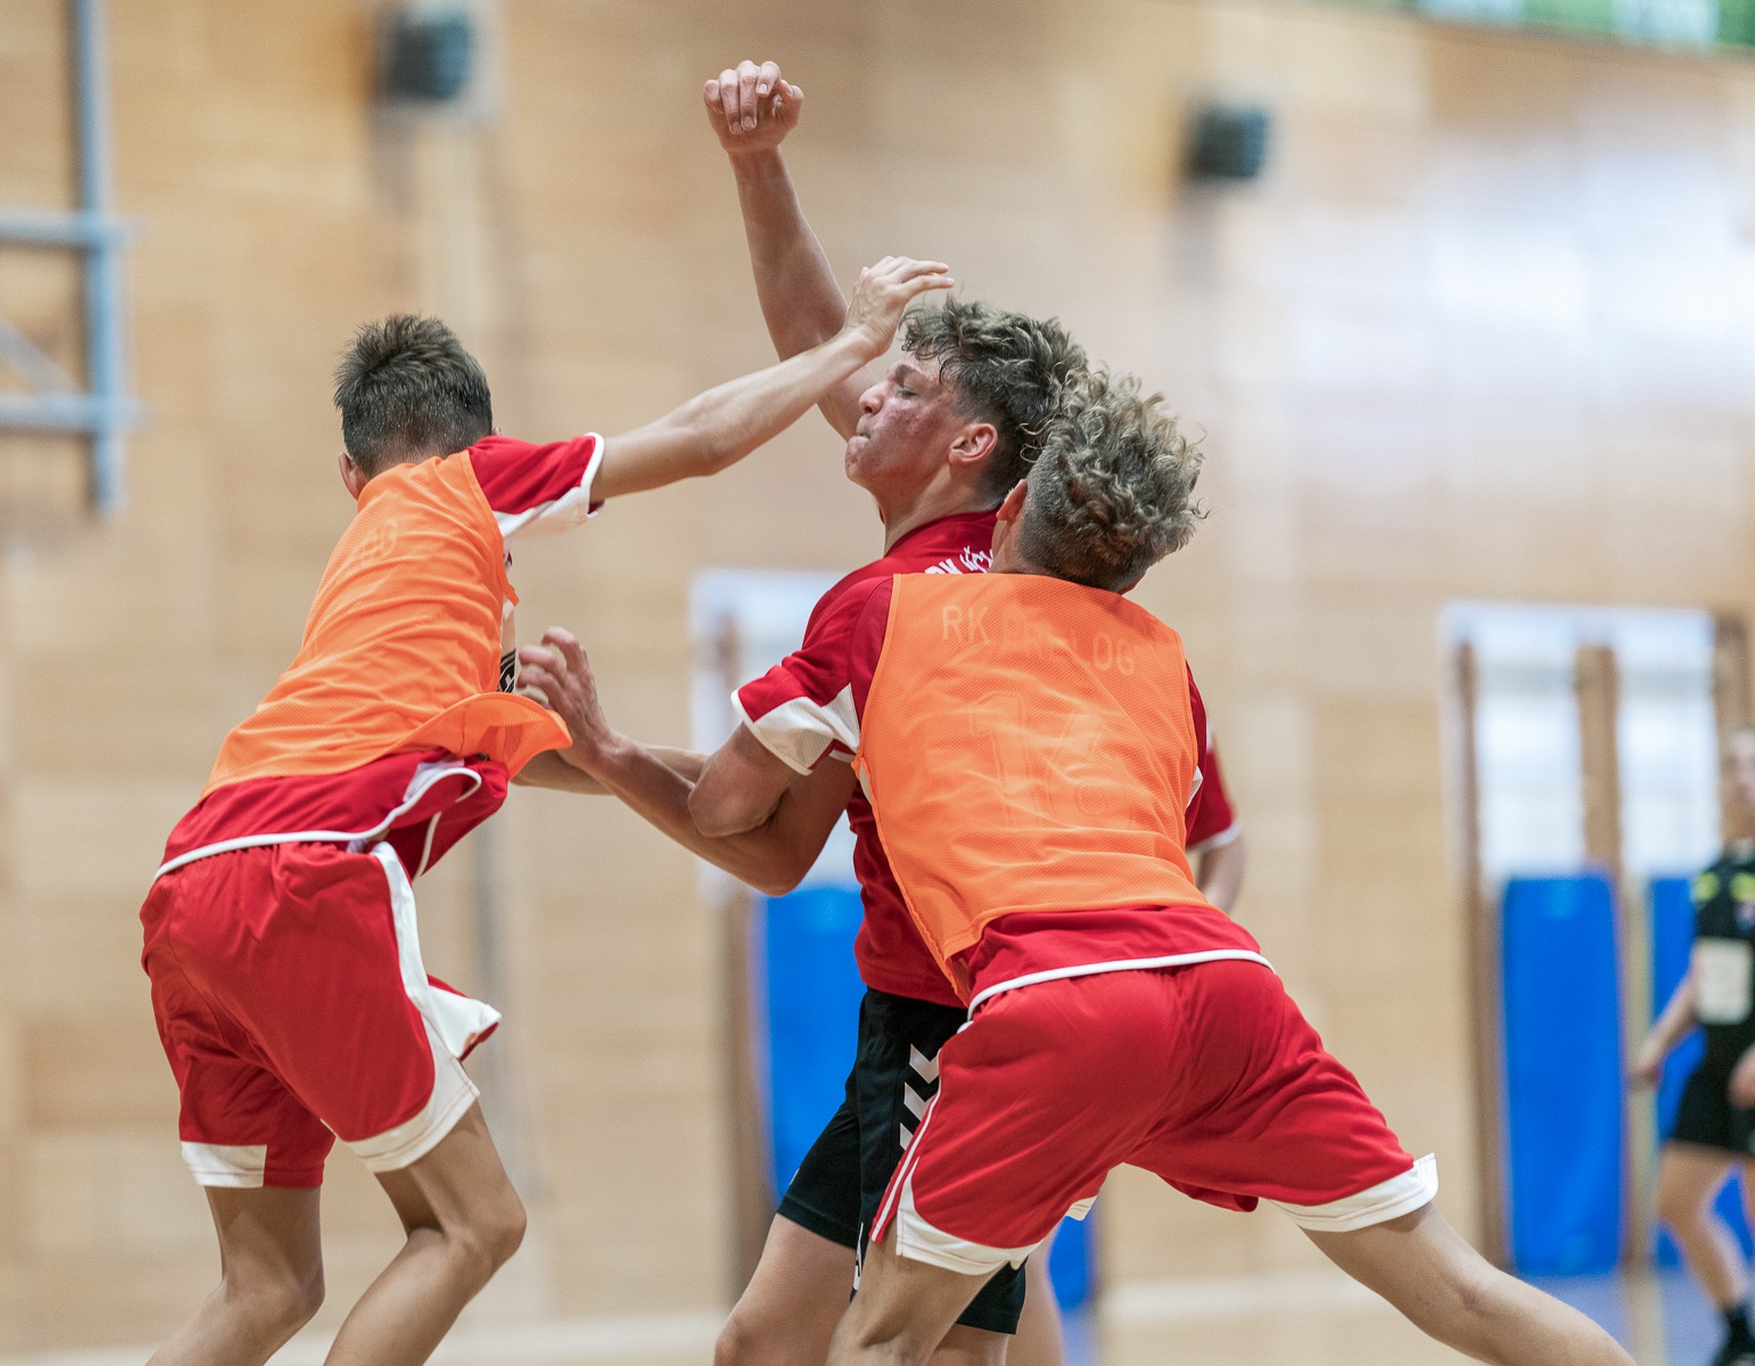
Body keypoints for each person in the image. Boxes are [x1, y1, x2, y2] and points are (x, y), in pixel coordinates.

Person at [658, 368, 1633, 1366]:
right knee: (1460, 1292)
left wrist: (591, 749)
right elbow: (1186, 832)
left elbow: (725, 808)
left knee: (888, 1343)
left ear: (1016, 505)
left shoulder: (884, 616)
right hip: (1227, 988)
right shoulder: (1164, 661)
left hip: (1050, 998)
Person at [138, 257, 953, 1366]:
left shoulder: (382, 590)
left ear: (346, 471)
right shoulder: (461, 486)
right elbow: (702, 437)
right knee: (476, 1221)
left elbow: (545, 754)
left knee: (265, 1286)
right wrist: (851, 344)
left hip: (189, 887)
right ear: (481, 441)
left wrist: (633, 757)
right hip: (303, 874)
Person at [702, 60, 1252, 1366]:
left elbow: (747, 816)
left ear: (969, 448)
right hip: (942, 1007)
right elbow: (818, 336)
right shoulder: (943, 551)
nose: (867, 388)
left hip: (975, 1013)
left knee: (893, 1345)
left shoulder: (979, 594)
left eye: (906, 385)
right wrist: (757, 167)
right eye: (876, 384)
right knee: (897, 1332)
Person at [1632, 726, 1755, 1366]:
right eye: (1731, 765)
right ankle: (1739, 1328)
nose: (1740, 777)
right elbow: (1702, 974)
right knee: (1676, 1202)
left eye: (1751, 766)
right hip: (1716, 1066)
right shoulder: (1715, 874)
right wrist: (1658, 1040)